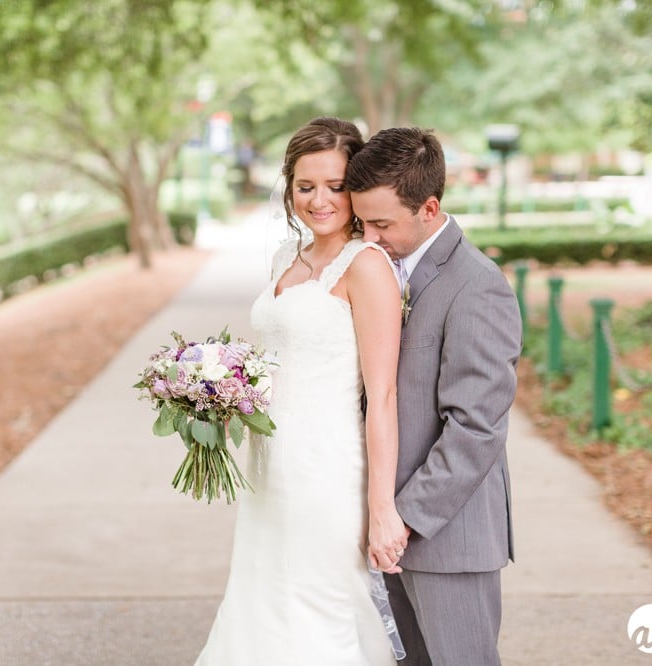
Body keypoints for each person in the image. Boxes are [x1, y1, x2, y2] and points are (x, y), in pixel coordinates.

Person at [195, 117, 408, 665]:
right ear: (288, 189)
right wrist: (217, 400)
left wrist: (382, 507)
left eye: (336, 186)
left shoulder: (367, 267)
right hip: (268, 466)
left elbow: (382, 395)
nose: (320, 201)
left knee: (321, 607)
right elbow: (274, 362)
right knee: (261, 601)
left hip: (328, 471)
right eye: (305, 187)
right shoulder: (283, 259)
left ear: (355, 188)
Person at [345, 127, 522, 666]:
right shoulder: (376, 269)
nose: (369, 237)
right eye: (362, 223)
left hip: (446, 537)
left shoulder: (477, 286)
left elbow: (476, 427)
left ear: (429, 207)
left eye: (381, 223)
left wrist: (404, 518)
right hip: (383, 529)